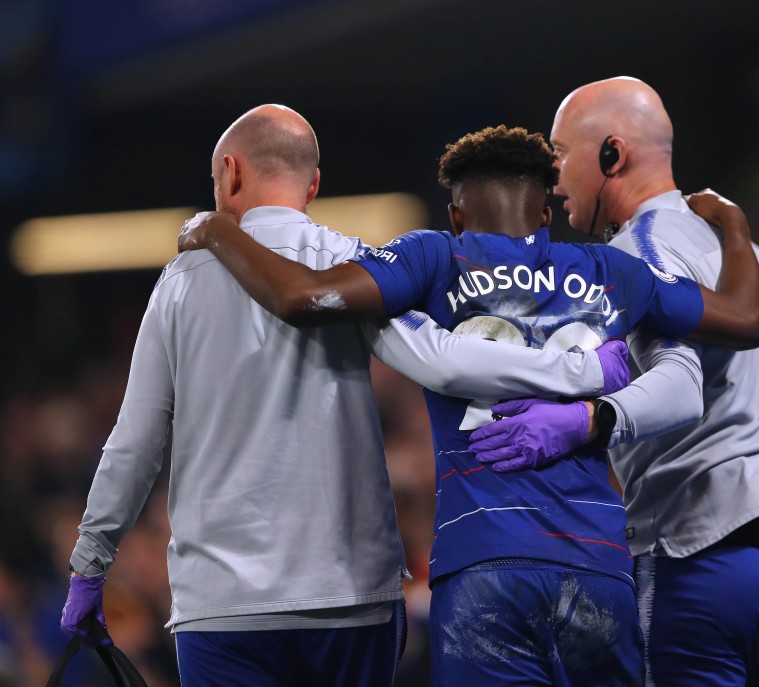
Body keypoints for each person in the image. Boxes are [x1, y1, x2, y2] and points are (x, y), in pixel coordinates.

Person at [58, 106, 641, 687]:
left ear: (230, 174)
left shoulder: (179, 285)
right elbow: (443, 360)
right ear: (313, 185)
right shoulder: (354, 266)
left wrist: (90, 566)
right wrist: (582, 368)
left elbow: (134, 440)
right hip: (352, 595)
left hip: (222, 605)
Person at [177, 123, 759, 686]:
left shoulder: (434, 257)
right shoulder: (615, 271)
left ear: (455, 214)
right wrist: (735, 228)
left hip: (482, 568)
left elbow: (302, 296)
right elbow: (744, 319)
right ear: (545, 212)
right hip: (598, 563)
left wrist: (217, 230)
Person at [470, 77, 759, 686]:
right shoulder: (752, 257)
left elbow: (680, 386)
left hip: (703, 558)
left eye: (560, 158)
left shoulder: (635, 257)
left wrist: (587, 420)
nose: (553, 180)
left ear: (613, 154)